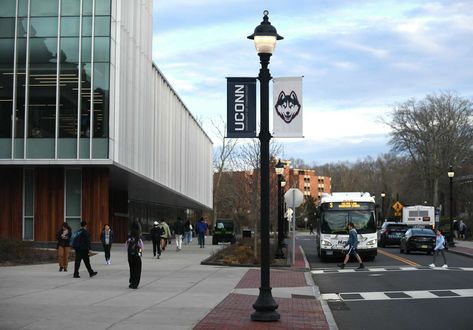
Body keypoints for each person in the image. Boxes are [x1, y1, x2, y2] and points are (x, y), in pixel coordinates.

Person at [126, 220, 144, 289]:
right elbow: (141, 248)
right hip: (136, 256)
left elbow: (126, 247)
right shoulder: (139, 239)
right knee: (137, 270)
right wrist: (139, 254)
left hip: (130, 256)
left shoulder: (129, 239)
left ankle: (131, 282)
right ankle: (135, 283)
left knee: (132, 269)